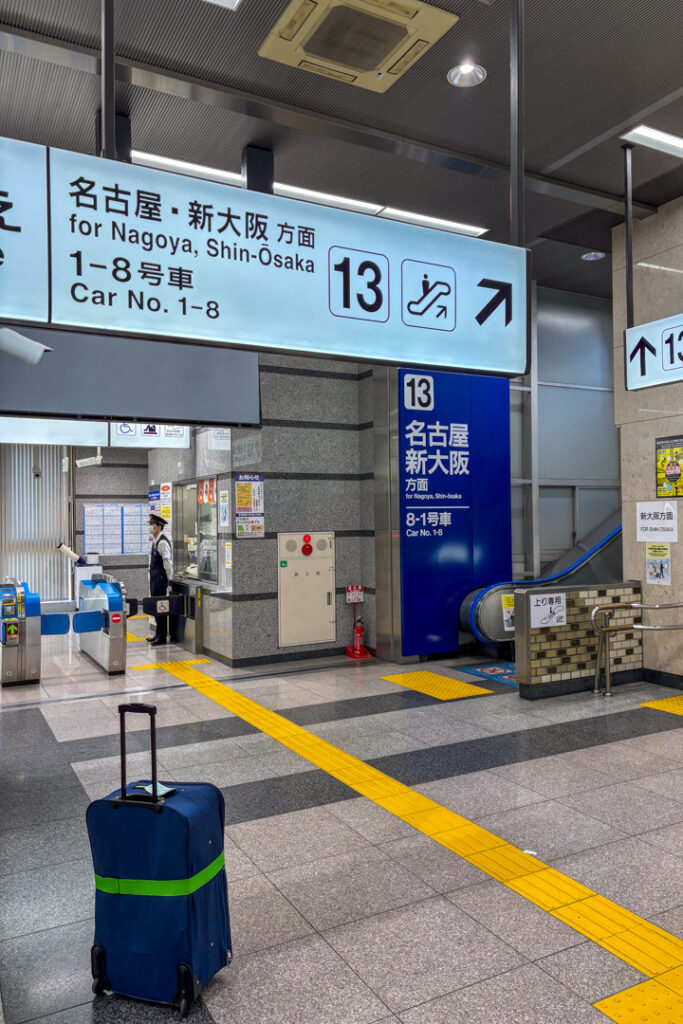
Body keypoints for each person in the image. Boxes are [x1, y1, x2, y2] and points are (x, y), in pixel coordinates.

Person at [148, 514, 173, 646]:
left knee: (161, 608)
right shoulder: (155, 541)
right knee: (156, 608)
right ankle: (157, 634)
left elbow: (167, 562)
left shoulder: (162, 542)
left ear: (158, 527)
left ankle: (162, 636)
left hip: (160, 580)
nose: (150, 527)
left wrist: (170, 579)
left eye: (152, 525)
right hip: (154, 579)